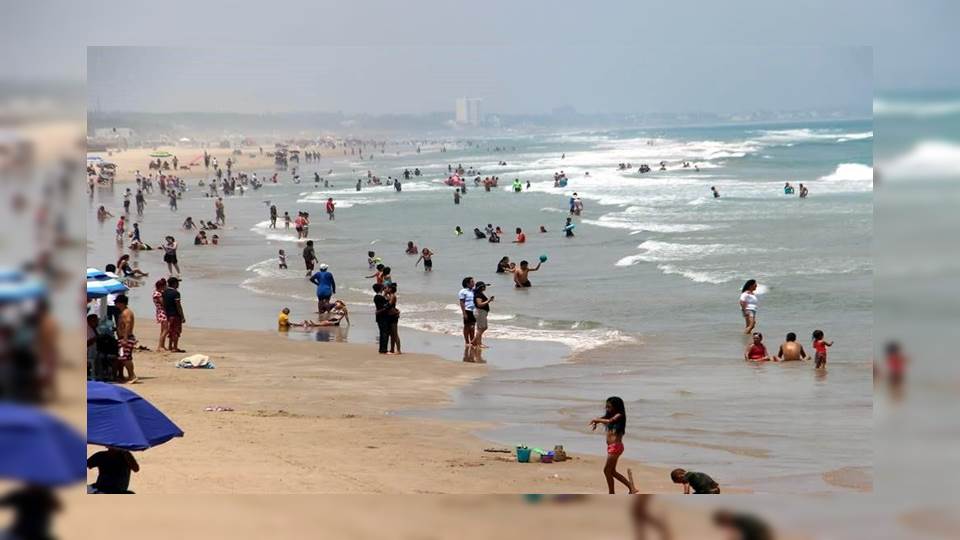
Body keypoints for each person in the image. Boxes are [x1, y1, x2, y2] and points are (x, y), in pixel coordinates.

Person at [589, 396, 637, 494]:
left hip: (616, 447)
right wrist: (596, 421)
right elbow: (604, 419)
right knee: (612, 471)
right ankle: (630, 488)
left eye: (609, 407)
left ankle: (613, 491)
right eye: (606, 407)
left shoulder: (619, 415)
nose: (607, 409)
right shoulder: (609, 416)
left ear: (617, 407)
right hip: (612, 447)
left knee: (607, 470)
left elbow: (610, 421)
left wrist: (597, 420)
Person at [114, 294, 138, 383]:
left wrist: (125, 338)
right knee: (122, 357)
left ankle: (132, 376)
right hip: (122, 337)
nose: (115, 304)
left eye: (116, 302)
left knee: (126, 358)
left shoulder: (126, 312)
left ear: (121, 303)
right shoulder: (123, 312)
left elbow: (128, 324)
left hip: (126, 338)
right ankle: (122, 375)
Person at [163, 277, 185, 352]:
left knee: (171, 331)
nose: (178, 284)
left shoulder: (165, 292)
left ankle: (170, 346)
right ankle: (175, 347)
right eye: (177, 283)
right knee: (176, 331)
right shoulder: (176, 293)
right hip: (175, 314)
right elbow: (178, 305)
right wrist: (182, 316)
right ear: (174, 283)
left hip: (168, 314)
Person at [472, 282, 493, 349]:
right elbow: (479, 304)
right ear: (481, 287)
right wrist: (489, 300)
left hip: (481, 312)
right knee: (483, 328)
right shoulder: (478, 295)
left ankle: (477, 342)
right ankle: (477, 343)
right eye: (484, 286)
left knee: (480, 328)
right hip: (480, 312)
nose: (485, 287)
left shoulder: (479, 293)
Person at [373, 283, 391, 354]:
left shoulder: (377, 297)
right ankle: (384, 349)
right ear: (380, 289)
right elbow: (384, 307)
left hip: (380, 316)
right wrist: (388, 304)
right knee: (384, 333)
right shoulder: (379, 297)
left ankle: (382, 349)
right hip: (382, 316)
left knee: (382, 333)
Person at [459, 277, 477, 346]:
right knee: (467, 326)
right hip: (467, 310)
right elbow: (462, 302)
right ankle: (466, 342)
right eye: (472, 282)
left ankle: (472, 341)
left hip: (474, 311)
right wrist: (464, 313)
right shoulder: (463, 291)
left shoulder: (474, 290)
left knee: (472, 326)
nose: (474, 283)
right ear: (467, 283)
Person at [384, 282, 401, 354]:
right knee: (391, 333)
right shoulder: (389, 295)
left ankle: (399, 350)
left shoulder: (393, 296)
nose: (386, 289)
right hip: (390, 315)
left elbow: (389, 304)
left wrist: (385, 295)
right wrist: (385, 294)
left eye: (387, 288)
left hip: (393, 316)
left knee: (395, 333)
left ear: (390, 289)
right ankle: (392, 349)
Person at [152, 278, 168, 351]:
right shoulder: (158, 294)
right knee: (165, 330)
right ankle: (160, 346)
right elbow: (163, 303)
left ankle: (162, 345)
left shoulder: (156, 293)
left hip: (160, 311)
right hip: (162, 312)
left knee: (163, 330)